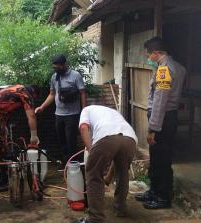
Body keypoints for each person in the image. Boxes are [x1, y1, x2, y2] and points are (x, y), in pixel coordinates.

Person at [135, 37, 186, 209]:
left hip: (162, 119)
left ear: (157, 53)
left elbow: (160, 101)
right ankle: (155, 191)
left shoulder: (164, 70)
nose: (148, 57)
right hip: (170, 117)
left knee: (161, 158)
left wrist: (152, 128)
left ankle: (162, 197)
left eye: (149, 54)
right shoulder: (179, 67)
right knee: (159, 157)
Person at [78, 105, 137, 223]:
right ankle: (120, 209)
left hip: (107, 136)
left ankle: (96, 219)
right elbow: (117, 153)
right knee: (123, 172)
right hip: (130, 139)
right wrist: (108, 178)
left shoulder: (86, 110)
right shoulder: (112, 112)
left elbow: (83, 128)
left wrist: (91, 151)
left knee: (93, 174)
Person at [0, 84, 40, 190]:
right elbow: (31, 116)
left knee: (2, 146)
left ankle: (2, 177)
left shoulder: (18, 88)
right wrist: (34, 135)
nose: (32, 101)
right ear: (33, 94)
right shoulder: (25, 94)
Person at [35, 54, 86, 165]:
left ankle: (73, 164)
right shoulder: (54, 77)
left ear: (65, 65)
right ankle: (64, 163)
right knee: (61, 141)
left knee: (71, 141)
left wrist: (85, 111)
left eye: (58, 67)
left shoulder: (75, 76)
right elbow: (52, 94)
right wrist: (42, 107)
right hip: (59, 115)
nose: (56, 69)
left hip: (73, 114)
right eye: (55, 68)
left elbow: (82, 93)